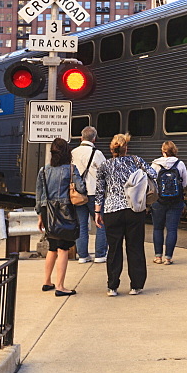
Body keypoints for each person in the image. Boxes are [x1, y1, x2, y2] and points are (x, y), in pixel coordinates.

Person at [94, 133, 155, 297]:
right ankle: (136, 285)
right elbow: (153, 174)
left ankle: (112, 286)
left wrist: (97, 212)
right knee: (135, 247)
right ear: (126, 147)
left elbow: (100, 191)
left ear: (111, 148)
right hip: (134, 210)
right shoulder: (136, 160)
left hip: (112, 211)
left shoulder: (104, 166)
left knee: (114, 249)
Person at [36, 137, 85, 297]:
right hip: (65, 212)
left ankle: (47, 281)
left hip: (48, 211)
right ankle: (61, 286)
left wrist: (40, 215)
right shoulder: (71, 169)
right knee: (63, 249)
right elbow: (81, 188)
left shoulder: (44, 170)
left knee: (52, 247)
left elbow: (40, 194)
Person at [70, 126, 107, 264]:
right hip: (94, 194)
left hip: (78, 195)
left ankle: (83, 256)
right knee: (100, 223)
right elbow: (104, 173)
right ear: (94, 138)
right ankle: (100, 255)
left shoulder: (73, 153)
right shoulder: (97, 154)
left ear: (81, 138)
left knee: (81, 225)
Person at [150, 140, 187, 265]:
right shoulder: (180, 164)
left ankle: (158, 257)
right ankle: (168, 258)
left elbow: (151, 183)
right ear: (174, 150)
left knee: (157, 229)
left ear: (163, 151)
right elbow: (184, 183)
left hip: (158, 201)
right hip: (176, 201)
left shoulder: (155, 164)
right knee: (172, 229)